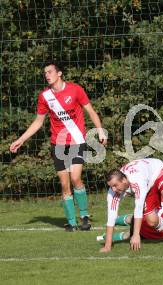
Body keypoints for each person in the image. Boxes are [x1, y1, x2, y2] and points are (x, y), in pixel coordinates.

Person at [9, 62, 107, 231]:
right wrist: (21, 139)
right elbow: (39, 121)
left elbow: (90, 111)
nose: (47, 75)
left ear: (59, 73)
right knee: (64, 185)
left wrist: (100, 131)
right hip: (58, 145)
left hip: (77, 141)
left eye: (50, 72)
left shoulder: (75, 89)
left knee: (76, 178)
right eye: (45, 73)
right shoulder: (44, 96)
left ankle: (84, 216)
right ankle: (71, 222)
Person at [101, 158, 163, 253]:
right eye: (111, 186)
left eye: (115, 185)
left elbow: (138, 208)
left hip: (157, 172)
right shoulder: (112, 192)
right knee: (151, 221)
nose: (113, 189)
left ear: (124, 180)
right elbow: (111, 218)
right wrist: (107, 246)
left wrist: (136, 235)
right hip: (147, 184)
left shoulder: (137, 181)